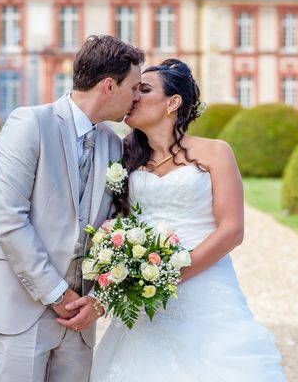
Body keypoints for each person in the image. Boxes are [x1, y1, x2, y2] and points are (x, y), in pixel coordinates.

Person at [0, 35, 144, 382]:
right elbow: (8, 219)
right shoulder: (28, 124)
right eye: (134, 87)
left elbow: (118, 228)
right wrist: (56, 294)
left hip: (79, 316)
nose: (137, 96)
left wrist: (97, 301)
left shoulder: (114, 146)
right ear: (108, 86)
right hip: (21, 304)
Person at [90, 59, 286, 381]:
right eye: (134, 89)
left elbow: (232, 230)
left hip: (205, 283)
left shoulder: (215, 153)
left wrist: (170, 275)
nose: (134, 97)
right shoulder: (122, 155)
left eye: (144, 89)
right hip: (142, 288)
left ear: (173, 102)